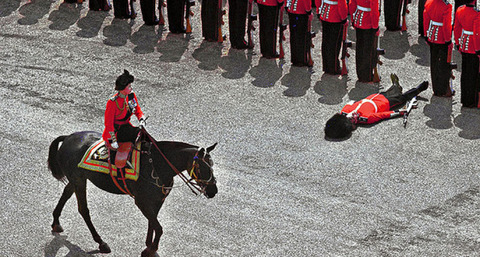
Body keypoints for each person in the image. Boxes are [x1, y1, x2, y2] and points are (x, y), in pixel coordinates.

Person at [324, 74, 429, 139]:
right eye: (352, 121)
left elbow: (350, 102)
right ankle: (418, 89)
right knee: (403, 97)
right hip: (386, 103)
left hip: (375, 97)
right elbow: (383, 115)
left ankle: (396, 86)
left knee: (391, 92)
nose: (352, 117)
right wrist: (400, 112)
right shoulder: (366, 118)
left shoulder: (345, 112)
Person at [102, 70, 146, 169]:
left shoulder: (130, 96)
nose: (131, 88)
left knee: (142, 134)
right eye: (129, 87)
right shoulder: (112, 102)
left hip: (126, 127)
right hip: (116, 132)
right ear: (122, 89)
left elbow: (136, 109)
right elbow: (109, 124)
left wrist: (141, 118)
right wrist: (113, 140)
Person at [423, 0, 454, 97]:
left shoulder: (429, 2)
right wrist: (448, 40)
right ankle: (443, 89)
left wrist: (426, 35)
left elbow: (426, 20)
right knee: (443, 65)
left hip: (432, 35)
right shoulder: (447, 6)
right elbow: (446, 25)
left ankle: (436, 89)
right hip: (442, 38)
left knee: (434, 63)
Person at [454, 1, 480, 108]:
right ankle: (471, 101)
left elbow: (457, 28)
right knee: (473, 75)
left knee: (465, 73)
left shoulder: (460, 9)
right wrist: (478, 49)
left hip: (464, 45)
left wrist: (458, 43)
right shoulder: (477, 14)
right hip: (474, 47)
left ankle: (465, 99)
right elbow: (477, 34)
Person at [349, 0, 380, 82]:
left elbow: (352, 4)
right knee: (368, 52)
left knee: (360, 49)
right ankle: (367, 77)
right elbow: (374, 10)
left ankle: (360, 74)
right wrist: (375, 26)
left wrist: (353, 20)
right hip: (368, 22)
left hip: (359, 19)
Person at [316, 0, 348, 74]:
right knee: (334, 44)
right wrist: (344, 18)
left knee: (326, 42)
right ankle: (333, 68)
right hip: (335, 15)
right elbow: (341, 3)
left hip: (324, 13)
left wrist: (319, 11)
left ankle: (326, 66)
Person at [287, 0, 313, 65]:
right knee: (301, 37)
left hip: (292, 9)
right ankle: (301, 60)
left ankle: (294, 59)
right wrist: (309, 11)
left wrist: (287, 6)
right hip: (301, 11)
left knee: (294, 35)